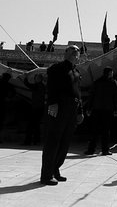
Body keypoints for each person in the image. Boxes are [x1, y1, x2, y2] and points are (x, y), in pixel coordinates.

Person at [40, 45, 84, 186]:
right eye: (71, 50)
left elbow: (78, 93)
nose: (75, 52)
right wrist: (52, 103)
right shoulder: (56, 68)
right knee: (53, 142)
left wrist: (80, 111)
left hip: (72, 110)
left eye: (77, 51)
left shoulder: (76, 72)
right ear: (65, 53)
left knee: (65, 143)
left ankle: (55, 170)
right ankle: (46, 175)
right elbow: (51, 87)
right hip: (59, 108)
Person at [84, 67, 117, 155]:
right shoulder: (109, 82)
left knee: (99, 130)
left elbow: (91, 96)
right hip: (103, 109)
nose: (112, 75)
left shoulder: (100, 82)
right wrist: (116, 108)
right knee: (102, 130)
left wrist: (89, 108)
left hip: (101, 109)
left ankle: (96, 149)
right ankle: (101, 150)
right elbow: (115, 97)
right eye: (111, 73)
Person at [23, 73, 46, 145]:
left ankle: (28, 141)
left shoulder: (37, 86)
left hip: (36, 108)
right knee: (36, 125)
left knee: (31, 125)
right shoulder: (43, 86)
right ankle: (36, 140)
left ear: (38, 79)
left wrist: (25, 77)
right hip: (41, 108)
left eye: (35, 78)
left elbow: (27, 84)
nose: (34, 79)